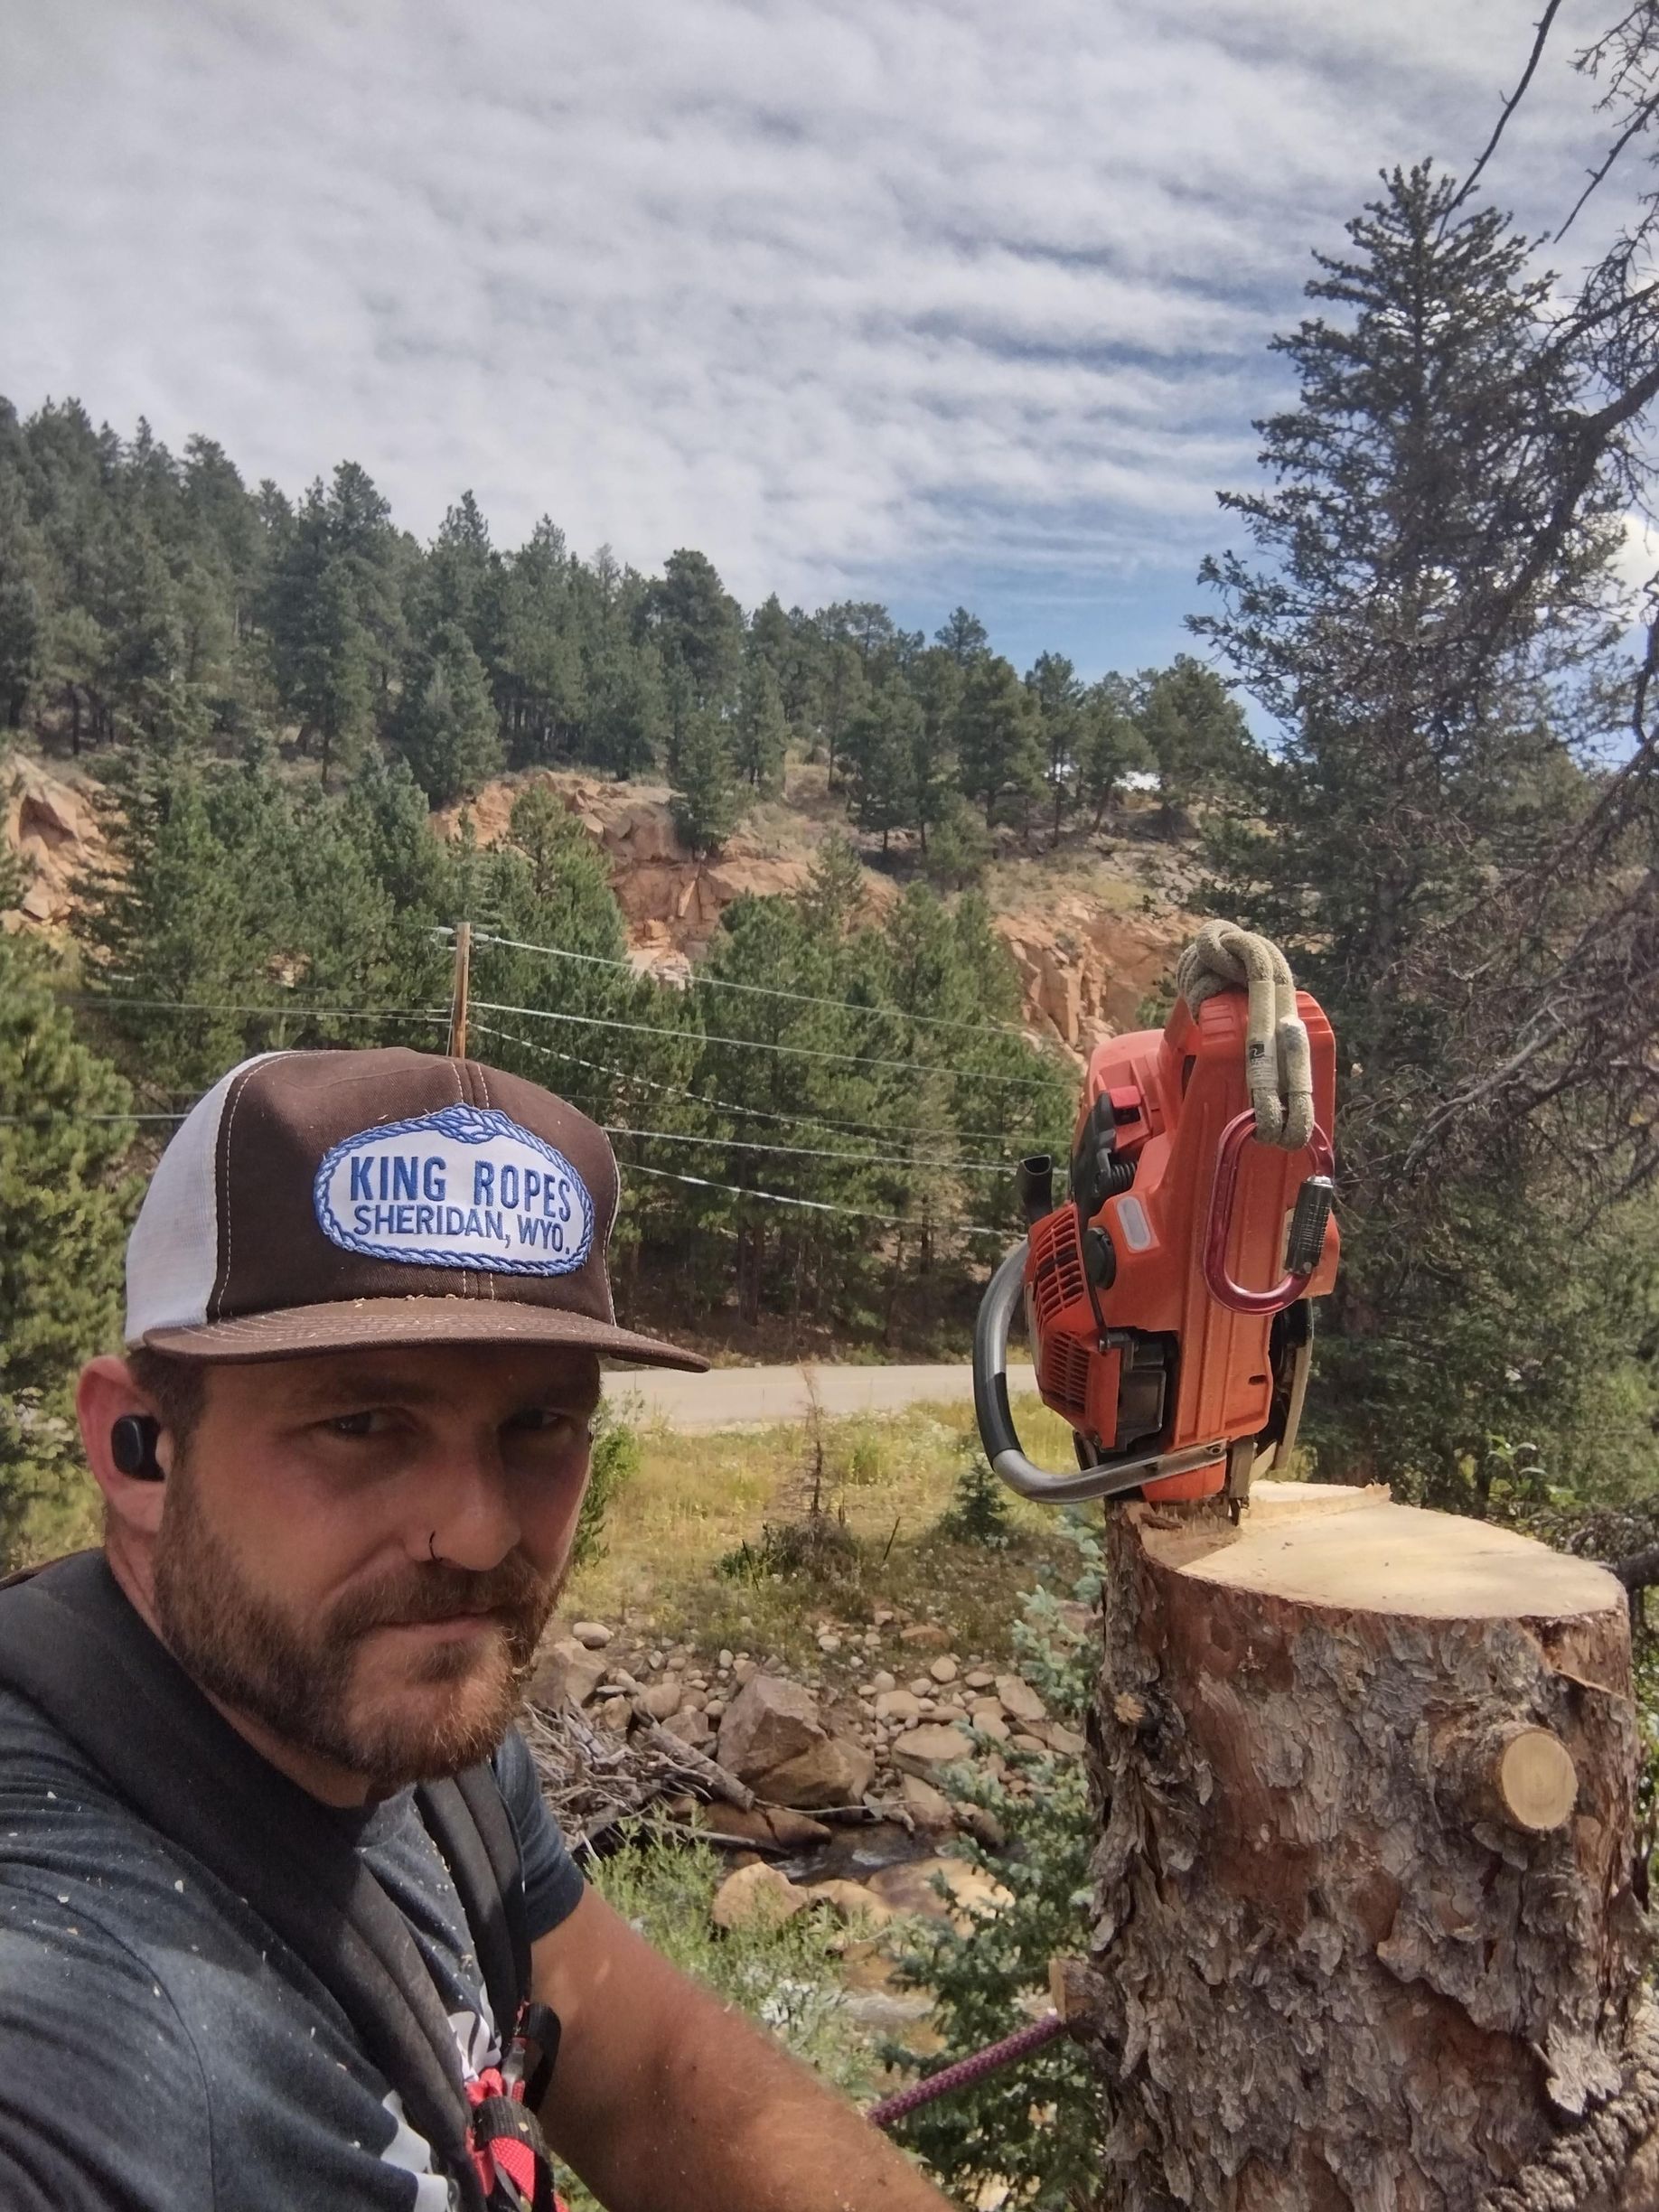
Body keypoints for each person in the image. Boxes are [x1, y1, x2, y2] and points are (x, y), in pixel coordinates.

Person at [0, 1045, 956, 2211]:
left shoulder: (412, 1735)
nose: (482, 1531)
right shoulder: (82, 1999)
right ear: (137, 1450)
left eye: (539, 1421)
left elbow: (648, 2067)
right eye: (362, 1422)